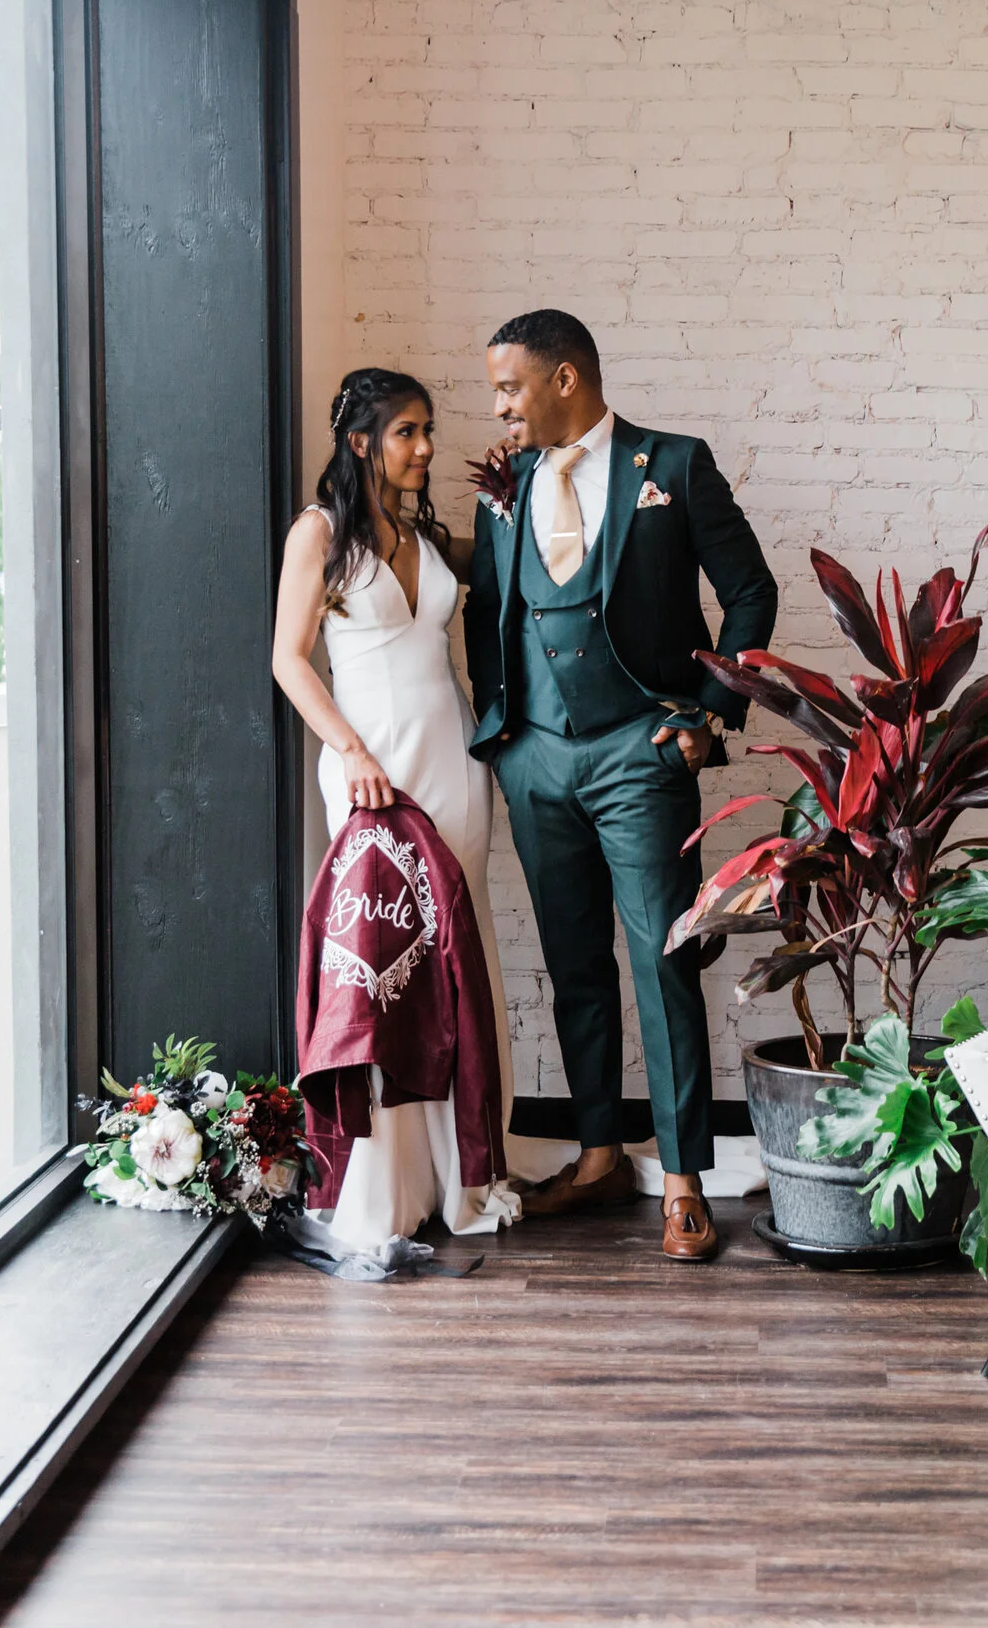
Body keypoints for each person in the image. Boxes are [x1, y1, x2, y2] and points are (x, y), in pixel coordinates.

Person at [465, 311, 777, 1262]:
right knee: (574, 961)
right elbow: (490, 609)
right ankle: (600, 1150)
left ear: (564, 378)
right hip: (538, 759)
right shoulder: (507, 485)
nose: (501, 410)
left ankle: (683, 1177)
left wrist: (708, 718)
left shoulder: (673, 467)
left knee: (663, 958)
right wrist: (503, 732)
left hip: (643, 751)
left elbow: (751, 589)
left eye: (510, 389)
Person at [272, 367, 562, 1263]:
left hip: (449, 766)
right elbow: (289, 660)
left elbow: (518, 570)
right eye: (407, 431)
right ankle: (383, 1184)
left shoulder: (425, 531)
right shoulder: (318, 534)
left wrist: (526, 488)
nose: (426, 446)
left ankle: (463, 1169)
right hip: (371, 769)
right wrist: (351, 752)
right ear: (361, 439)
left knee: (455, 962)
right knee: (382, 967)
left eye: (428, 429)